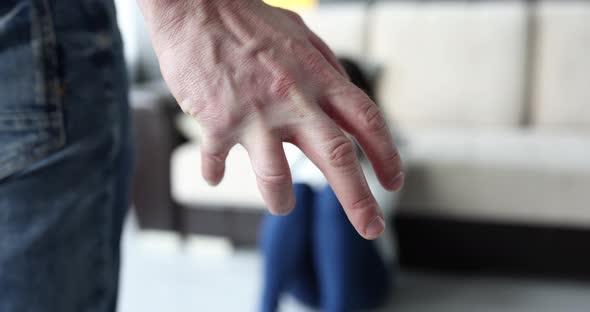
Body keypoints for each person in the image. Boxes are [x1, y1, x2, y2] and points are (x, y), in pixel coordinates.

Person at [0, 1, 403, 311]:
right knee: (302, 199)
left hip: (364, 270)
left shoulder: (382, 143)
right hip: (28, 40)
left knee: (325, 200)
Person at [259, 59, 399, 312]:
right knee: (298, 193)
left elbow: (378, 208)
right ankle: (265, 306)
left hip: (364, 278)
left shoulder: (386, 141)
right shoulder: (297, 141)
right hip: (308, 283)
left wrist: (351, 143)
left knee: (334, 198)